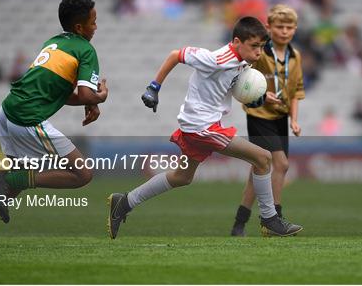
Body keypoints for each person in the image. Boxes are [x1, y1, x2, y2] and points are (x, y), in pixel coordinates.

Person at [108, 17, 303, 238]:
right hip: (202, 127)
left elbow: (229, 87)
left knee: (183, 176)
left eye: (261, 47)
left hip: (199, 126)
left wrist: (261, 96)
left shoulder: (240, 62)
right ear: (237, 42)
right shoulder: (216, 59)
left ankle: (124, 202)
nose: (259, 52)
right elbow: (176, 55)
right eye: (255, 46)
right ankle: (270, 220)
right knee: (264, 158)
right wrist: (154, 88)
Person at [0, 0, 108, 247]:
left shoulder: (55, 43)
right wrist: (100, 96)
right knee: (82, 174)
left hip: (8, 110)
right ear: (79, 28)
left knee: (12, 184)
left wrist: (90, 102)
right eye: (93, 21)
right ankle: (12, 179)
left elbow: (60, 93)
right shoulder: (85, 50)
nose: (96, 26)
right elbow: (86, 93)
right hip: (27, 117)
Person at [230, 5, 305, 236]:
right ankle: (274, 219)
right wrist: (261, 97)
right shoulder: (260, 53)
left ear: (295, 29)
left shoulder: (295, 56)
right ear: (269, 28)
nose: (284, 31)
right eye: (279, 27)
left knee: (259, 170)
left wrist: (294, 119)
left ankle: (239, 224)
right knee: (280, 164)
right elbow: (243, 80)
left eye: (289, 27)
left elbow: (296, 91)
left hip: (280, 117)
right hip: (259, 115)